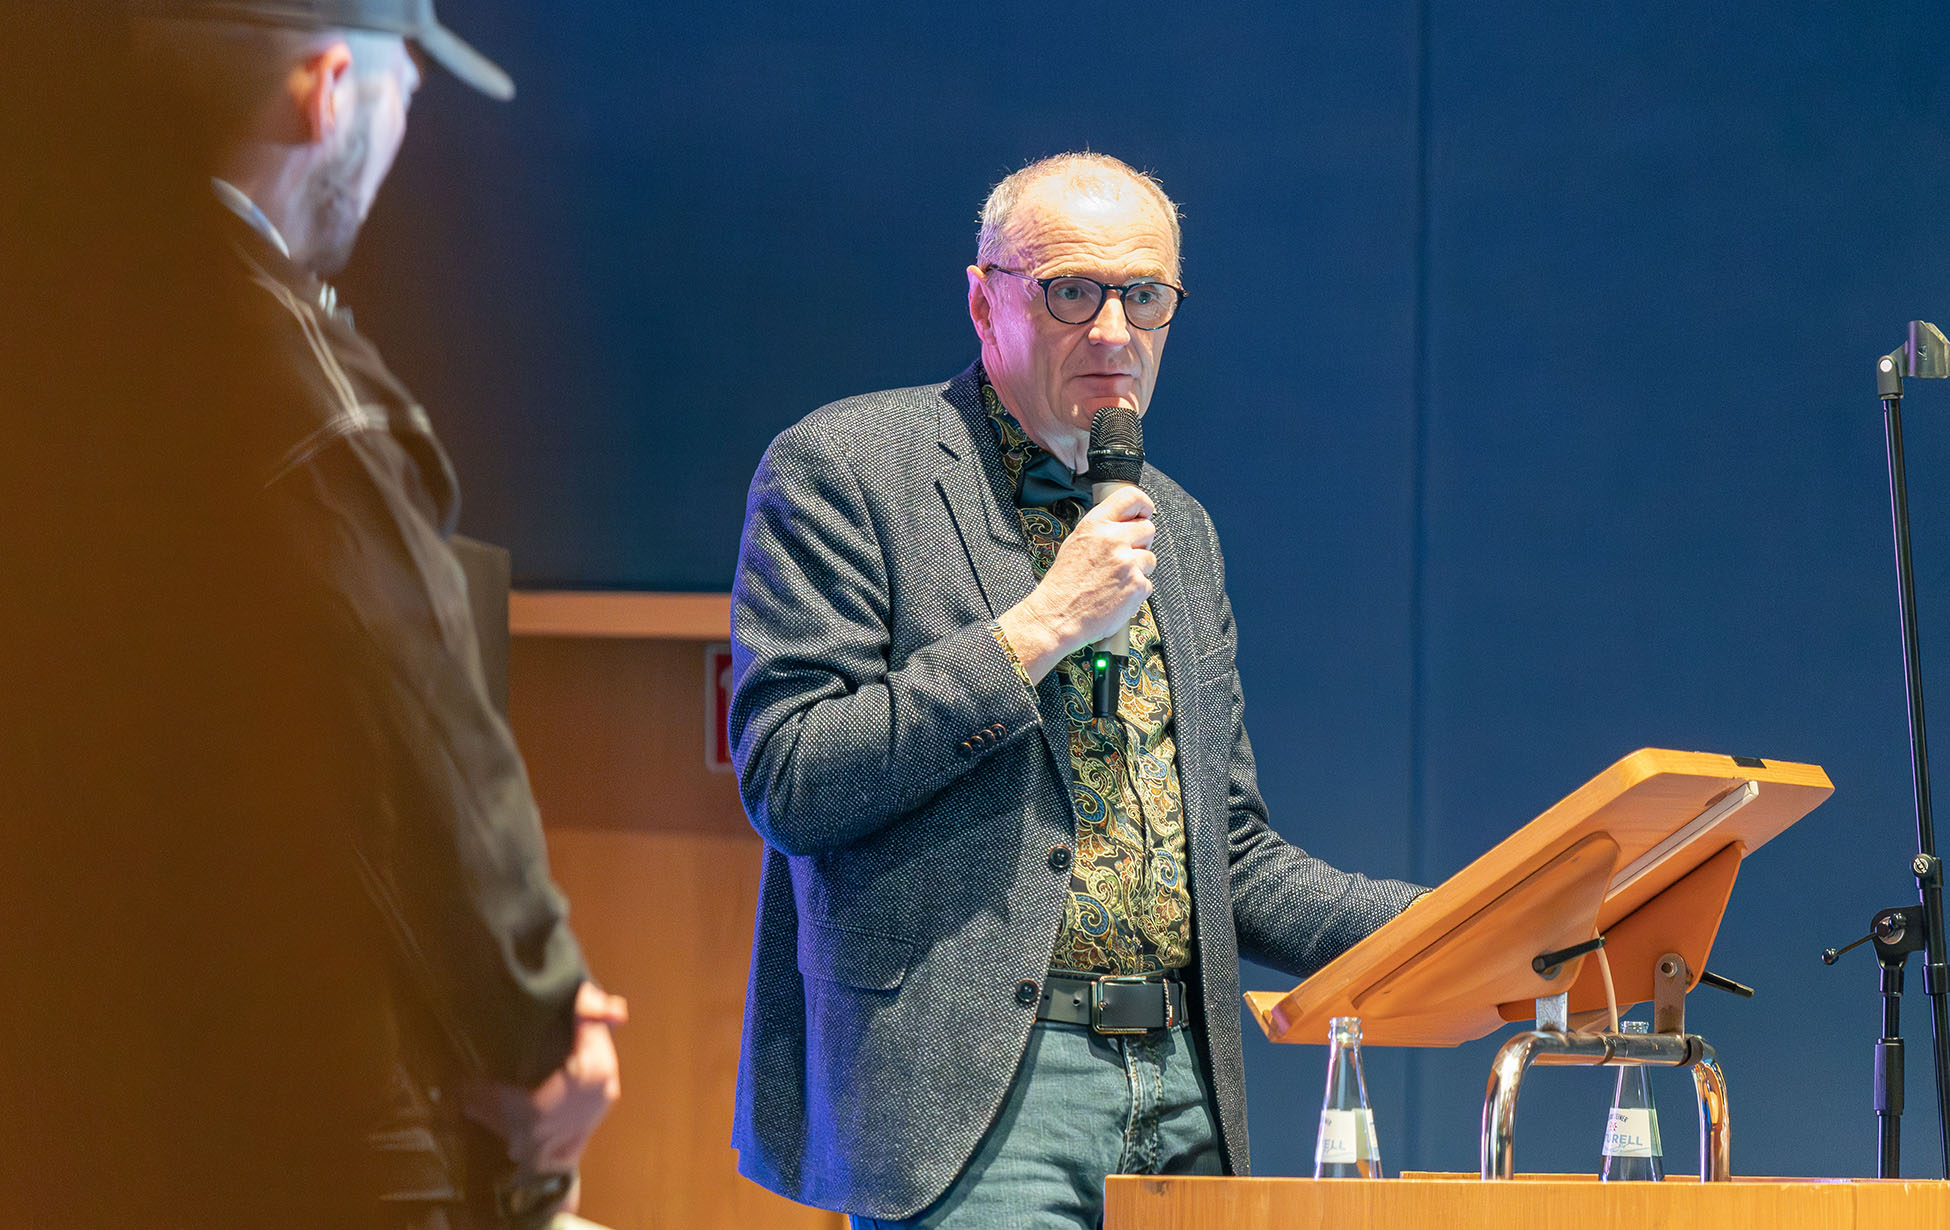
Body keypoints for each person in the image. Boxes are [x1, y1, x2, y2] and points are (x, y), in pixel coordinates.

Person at [728, 151, 1427, 1227]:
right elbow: (793, 779)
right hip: (977, 1098)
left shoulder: (1175, 528)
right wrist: (1041, 626)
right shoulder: (847, 469)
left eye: (1144, 296)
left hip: (1181, 1088)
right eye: (1071, 292)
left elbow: (1228, 855)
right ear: (984, 301)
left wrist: (1453, 925)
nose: (1112, 332)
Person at [93, 4, 625, 1225]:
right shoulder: (277, 372)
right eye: (405, 99)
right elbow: (416, 723)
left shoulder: (65, 333)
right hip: (294, 1086)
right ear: (328, 90)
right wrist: (541, 1016)